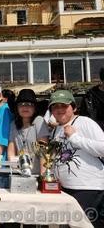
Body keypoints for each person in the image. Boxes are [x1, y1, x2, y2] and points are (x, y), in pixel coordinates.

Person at [49, 90, 104, 227]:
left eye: (64, 105)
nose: (59, 109)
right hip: (65, 188)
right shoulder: (57, 130)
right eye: (55, 106)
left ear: (73, 107)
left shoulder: (85, 122)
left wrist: (75, 138)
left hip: (88, 187)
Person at [7, 89, 49, 175]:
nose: (25, 107)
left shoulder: (39, 121)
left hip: (36, 173)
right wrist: (14, 170)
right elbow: (11, 149)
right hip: (19, 172)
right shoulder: (13, 124)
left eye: (29, 104)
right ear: (17, 108)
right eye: (21, 104)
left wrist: (43, 175)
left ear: (35, 108)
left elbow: (43, 150)